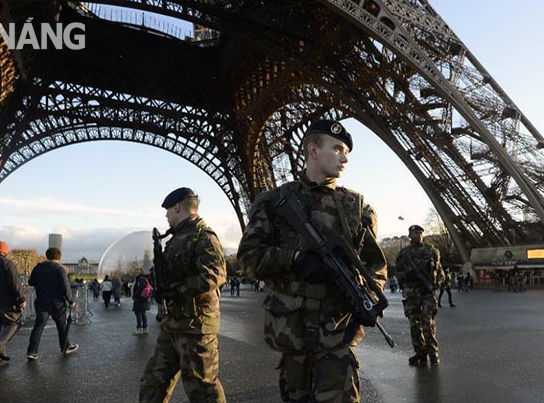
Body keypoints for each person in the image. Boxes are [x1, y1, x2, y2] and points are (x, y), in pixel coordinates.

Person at [237, 120, 387, 402]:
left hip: (337, 336)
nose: (344, 158)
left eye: (347, 153)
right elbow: (247, 257)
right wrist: (294, 260)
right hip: (291, 336)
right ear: (313, 150)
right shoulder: (275, 203)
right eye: (338, 149)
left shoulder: (358, 209)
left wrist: (367, 297)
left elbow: (375, 266)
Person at [139, 187, 227, 403]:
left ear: (177, 207)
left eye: (168, 210)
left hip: (196, 327)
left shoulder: (203, 236)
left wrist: (176, 290)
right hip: (173, 324)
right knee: (152, 382)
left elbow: (215, 275)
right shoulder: (176, 238)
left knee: (203, 389)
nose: (166, 215)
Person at [396, 225, 445, 366]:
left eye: (420, 232)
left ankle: (433, 352)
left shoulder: (431, 251)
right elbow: (398, 273)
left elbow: (439, 270)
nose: (418, 235)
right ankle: (420, 352)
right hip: (412, 293)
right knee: (414, 324)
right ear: (409, 235)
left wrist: (438, 283)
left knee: (427, 323)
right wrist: (406, 275)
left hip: (427, 292)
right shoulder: (404, 254)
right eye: (415, 232)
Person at [26, 247, 78, 360]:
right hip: (57, 303)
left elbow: (31, 282)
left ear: (47, 255)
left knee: (38, 326)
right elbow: (65, 287)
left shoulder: (38, 268)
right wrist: (71, 300)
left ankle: (32, 351)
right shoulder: (59, 269)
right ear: (58, 257)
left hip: (41, 301)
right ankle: (65, 347)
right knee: (61, 326)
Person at [132, 268, 151, 334]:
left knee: (138, 313)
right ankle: (145, 328)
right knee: (142, 313)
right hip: (143, 299)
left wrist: (135, 296)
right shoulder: (143, 279)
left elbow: (140, 289)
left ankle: (139, 328)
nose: (135, 272)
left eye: (137, 271)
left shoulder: (140, 279)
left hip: (140, 299)